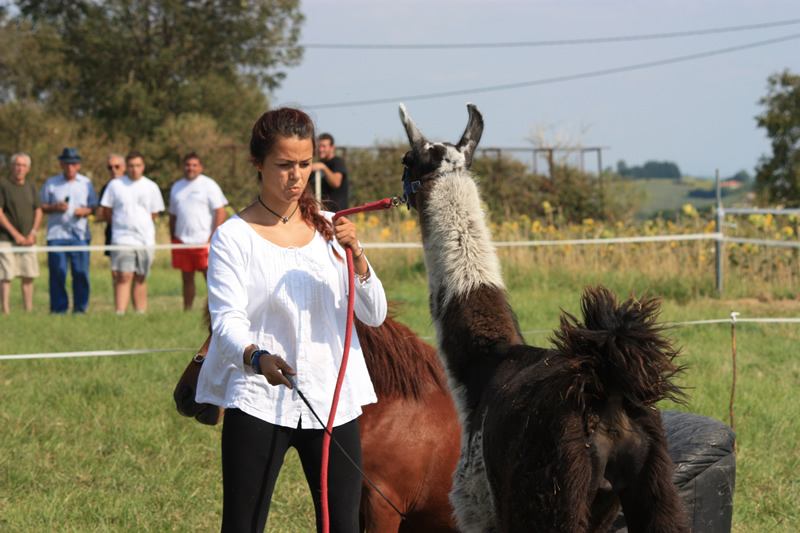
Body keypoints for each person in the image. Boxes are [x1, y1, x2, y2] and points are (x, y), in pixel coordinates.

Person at [195, 107, 387, 533]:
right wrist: (256, 357)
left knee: (345, 528)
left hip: (332, 403)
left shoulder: (330, 231)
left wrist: (357, 254)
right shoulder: (233, 236)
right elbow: (226, 322)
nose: (296, 176)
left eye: (303, 164)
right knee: (242, 527)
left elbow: (374, 314)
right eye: (284, 165)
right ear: (258, 164)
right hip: (259, 398)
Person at [99, 151, 165, 315]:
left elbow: (154, 213)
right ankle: (120, 313)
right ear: (125, 167)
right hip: (122, 239)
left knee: (140, 276)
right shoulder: (115, 185)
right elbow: (106, 211)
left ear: (143, 167)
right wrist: (121, 225)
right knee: (123, 276)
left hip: (145, 240)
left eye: (137, 165)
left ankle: (139, 312)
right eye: (131, 166)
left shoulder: (151, 186)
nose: (134, 169)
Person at [40, 147, 98, 314]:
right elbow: (41, 206)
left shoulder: (86, 183)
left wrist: (86, 211)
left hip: (80, 235)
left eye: (73, 164)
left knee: (81, 272)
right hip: (57, 235)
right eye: (66, 164)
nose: (70, 167)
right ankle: (59, 308)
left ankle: (80, 308)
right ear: (61, 165)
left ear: (78, 165)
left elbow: (94, 206)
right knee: (58, 272)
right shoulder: (51, 183)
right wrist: (54, 207)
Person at [168, 152, 228, 311]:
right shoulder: (177, 187)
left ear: (200, 167)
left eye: (194, 165)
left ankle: (217, 310)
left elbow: (220, 211)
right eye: (188, 165)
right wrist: (173, 238)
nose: (190, 168)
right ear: (183, 167)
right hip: (182, 241)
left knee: (211, 278)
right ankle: (187, 310)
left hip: (204, 242)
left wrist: (212, 237)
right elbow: (172, 215)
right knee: (186, 278)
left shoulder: (209, 185)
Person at [0, 153, 42, 313]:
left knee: (28, 274)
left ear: (28, 168)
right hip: (5, 239)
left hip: (28, 240)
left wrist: (32, 233)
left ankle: (28, 310)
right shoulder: (3, 185)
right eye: (17, 165)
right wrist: (15, 234)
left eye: (23, 165)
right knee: (6, 276)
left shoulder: (31, 186)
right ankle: (5, 310)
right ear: (11, 166)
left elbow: (38, 211)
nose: (20, 168)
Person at [311, 132, 349, 212]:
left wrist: (324, 167)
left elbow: (336, 183)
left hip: (337, 213)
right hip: (320, 212)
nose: (321, 149)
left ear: (332, 148)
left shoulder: (338, 162)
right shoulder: (316, 166)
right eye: (319, 146)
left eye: (324, 146)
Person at [97, 153, 126, 258]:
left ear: (124, 166)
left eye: (117, 166)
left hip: (131, 234)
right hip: (112, 232)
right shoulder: (106, 188)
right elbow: (100, 215)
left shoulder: (131, 185)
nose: (114, 169)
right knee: (115, 269)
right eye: (110, 167)